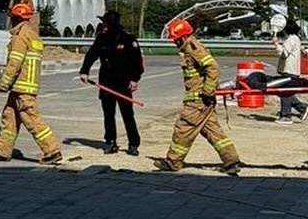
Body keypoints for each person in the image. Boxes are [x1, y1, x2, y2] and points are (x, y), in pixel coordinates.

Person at [154, 18, 241, 175]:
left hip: (198, 100)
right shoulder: (189, 47)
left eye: (175, 39)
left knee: (183, 128)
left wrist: (207, 91)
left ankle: (173, 161)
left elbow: (213, 68)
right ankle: (231, 161)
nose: (174, 43)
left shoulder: (193, 48)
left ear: (183, 36)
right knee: (213, 131)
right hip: (201, 100)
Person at [0, 0, 63, 165]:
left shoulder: (20, 36)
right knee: (10, 116)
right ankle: (2, 150)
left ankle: (52, 150)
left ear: (15, 19)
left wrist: (4, 83)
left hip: (22, 86)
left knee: (31, 119)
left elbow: (15, 62)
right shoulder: (32, 34)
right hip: (25, 85)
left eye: (12, 18)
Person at [79, 10, 143, 155]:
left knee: (127, 114)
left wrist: (135, 79)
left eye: (106, 23)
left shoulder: (127, 39)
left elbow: (137, 62)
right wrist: (84, 71)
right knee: (108, 114)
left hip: (123, 83)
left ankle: (133, 143)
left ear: (113, 24)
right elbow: (91, 55)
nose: (103, 25)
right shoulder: (101, 39)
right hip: (106, 82)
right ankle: (110, 142)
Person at [273, 20, 307, 120]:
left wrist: (276, 44)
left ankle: (286, 115)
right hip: (292, 70)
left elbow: (284, 54)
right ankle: (302, 108)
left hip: (289, 70)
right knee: (286, 93)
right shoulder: (295, 38)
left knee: (285, 93)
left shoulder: (291, 39)